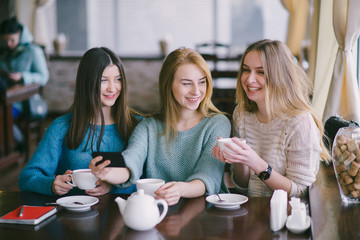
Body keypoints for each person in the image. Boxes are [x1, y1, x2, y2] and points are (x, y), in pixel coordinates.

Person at [89, 47, 231, 205]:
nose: (196, 91)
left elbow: (208, 176)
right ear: (168, 84)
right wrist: (109, 173)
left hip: (206, 213)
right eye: (186, 83)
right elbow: (131, 160)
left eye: (202, 82)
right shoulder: (148, 127)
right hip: (157, 213)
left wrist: (180, 189)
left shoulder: (218, 123)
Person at [212, 39, 330, 197]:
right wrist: (240, 159)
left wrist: (256, 162)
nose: (249, 79)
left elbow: (300, 192)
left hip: (287, 216)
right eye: (246, 70)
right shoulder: (242, 115)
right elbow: (242, 187)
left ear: (279, 76)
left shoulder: (300, 122)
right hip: (253, 211)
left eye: (260, 72)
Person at [19, 47, 141, 196]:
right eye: (103, 80)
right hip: (71, 215)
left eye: (118, 79)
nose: (112, 88)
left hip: (122, 215)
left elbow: (148, 180)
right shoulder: (61, 127)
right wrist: (51, 184)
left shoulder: (137, 126)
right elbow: (27, 177)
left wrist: (112, 187)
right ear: (87, 82)